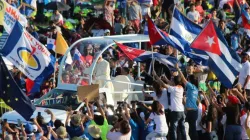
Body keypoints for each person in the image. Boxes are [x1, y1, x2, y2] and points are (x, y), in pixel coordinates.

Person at [152, 69, 186, 140]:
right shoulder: (181, 88)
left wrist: (156, 76)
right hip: (182, 111)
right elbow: (170, 84)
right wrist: (166, 79)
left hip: (175, 111)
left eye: (172, 80)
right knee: (182, 129)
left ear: (174, 82)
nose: (171, 81)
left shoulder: (174, 89)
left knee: (173, 129)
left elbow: (164, 85)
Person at [176, 63, 198, 140]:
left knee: (192, 130)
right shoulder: (194, 88)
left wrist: (178, 69)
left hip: (192, 112)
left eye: (188, 80)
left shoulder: (192, 87)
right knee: (188, 130)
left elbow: (183, 79)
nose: (187, 81)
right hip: (190, 112)